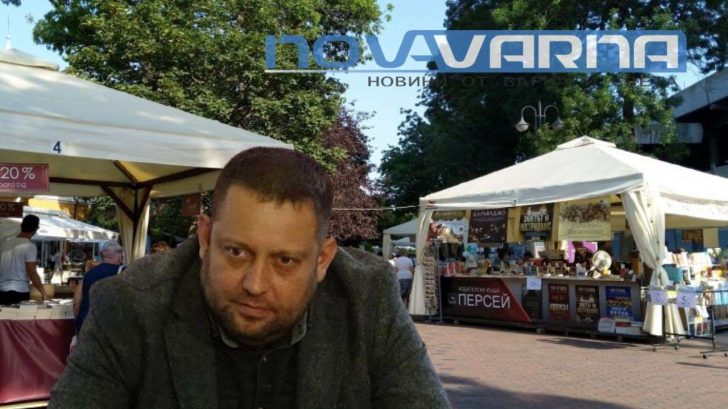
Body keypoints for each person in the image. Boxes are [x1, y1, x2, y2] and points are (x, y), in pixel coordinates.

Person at [50, 147, 451, 409]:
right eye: (237, 252)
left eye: (285, 261)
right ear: (205, 239)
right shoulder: (131, 303)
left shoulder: (368, 297)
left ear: (323, 260)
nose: (255, 285)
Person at [73, 241, 125, 333]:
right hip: (111, 326)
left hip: (86, 323)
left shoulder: (89, 274)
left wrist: (78, 320)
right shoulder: (125, 273)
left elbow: (77, 301)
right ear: (119, 255)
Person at [0, 215, 48, 304]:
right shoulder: (30, 246)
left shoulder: (5, 243)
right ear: (36, 229)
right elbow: (32, 272)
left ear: (21, 226)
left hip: (2, 289)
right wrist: (44, 293)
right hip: (19, 290)